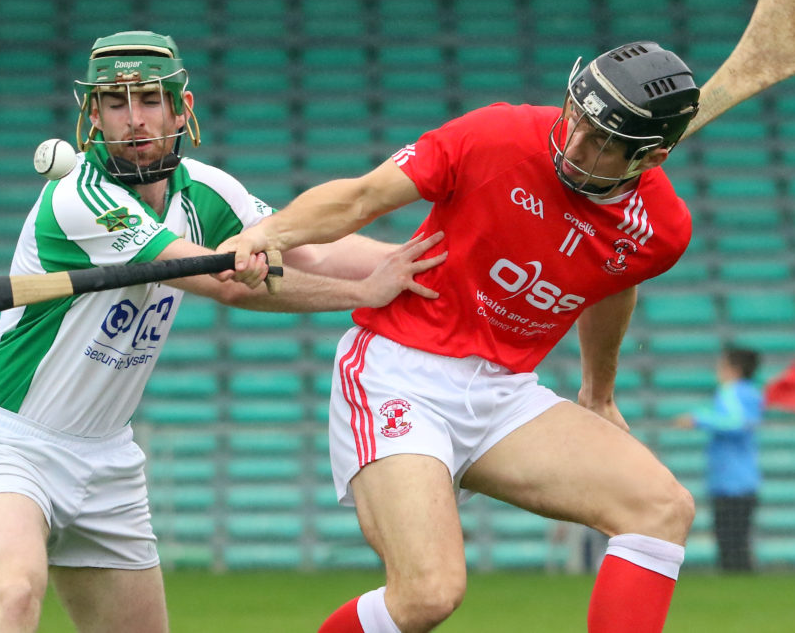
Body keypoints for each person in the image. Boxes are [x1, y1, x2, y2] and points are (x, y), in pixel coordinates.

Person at [0, 30, 444, 633]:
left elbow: (312, 251)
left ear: (182, 109)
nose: (135, 119)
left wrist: (418, 262)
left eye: (150, 99)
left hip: (106, 458)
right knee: (14, 594)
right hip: (7, 443)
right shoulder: (79, 199)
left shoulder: (208, 191)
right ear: (93, 116)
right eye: (116, 103)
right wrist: (362, 294)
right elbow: (227, 285)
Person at [222, 41, 702, 632]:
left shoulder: (661, 230)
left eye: (601, 140)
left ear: (651, 157)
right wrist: (269, 233)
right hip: (400, 372)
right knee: (428, 594)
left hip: (505, 393)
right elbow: (363, 196)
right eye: (576, 116)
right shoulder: (498, 135)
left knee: (662, 509)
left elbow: (612, 283)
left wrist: (598, 392)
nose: (573, 143)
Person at [674, 345, 763, 572]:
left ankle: (738, 584)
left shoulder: (731, 391)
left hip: (731, 482)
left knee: (730, 543)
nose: (717, 370)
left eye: (722, 365)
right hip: (744, 479)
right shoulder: (752, 393)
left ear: (734, 369)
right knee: (738, 542)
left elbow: (736, 422)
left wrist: (698, 419)